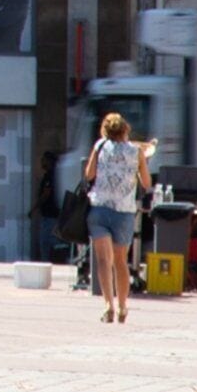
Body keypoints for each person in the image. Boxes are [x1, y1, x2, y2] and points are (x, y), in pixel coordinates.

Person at [79, 111, 146, 323]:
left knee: (102, 260)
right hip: (124, 212)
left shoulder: (99, 146)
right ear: (125, 129)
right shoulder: (137, 152)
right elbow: (146, 182)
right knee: (120, 262)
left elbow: (89, 174)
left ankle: (107, 305)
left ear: (105, 131)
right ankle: (123, 307)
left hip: (99, 209)